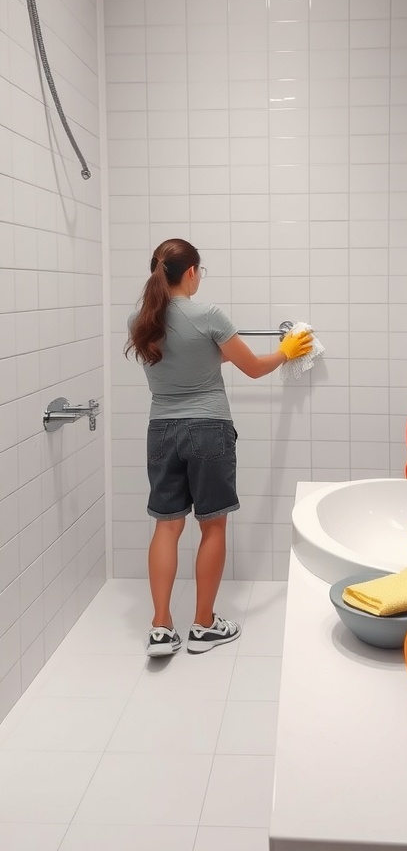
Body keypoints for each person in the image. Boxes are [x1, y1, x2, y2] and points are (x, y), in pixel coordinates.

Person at [125, 237, 312, 657]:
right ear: (191, 272)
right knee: (212, 525)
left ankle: (160, 628)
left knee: (167, 525)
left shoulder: (142, 319)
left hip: (161, 431)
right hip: (208, 428)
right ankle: (205, 625)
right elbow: (254, 369)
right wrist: (285, 351)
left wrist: (222, 352)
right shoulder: (207, 313)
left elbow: (187, 360)